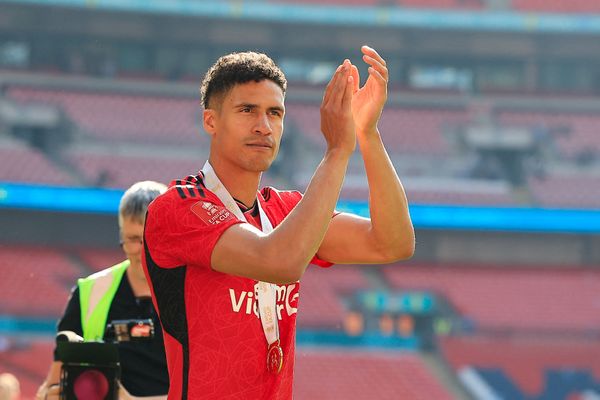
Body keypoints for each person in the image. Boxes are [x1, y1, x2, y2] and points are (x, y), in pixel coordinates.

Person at [142, 47, 415, 399]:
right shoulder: (178, 207)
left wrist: (366, 133)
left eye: (275, 113)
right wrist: (336, 153)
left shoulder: (286, 209)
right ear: (211, 121)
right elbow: (279, 262)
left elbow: (392, 243)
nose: (263, 126)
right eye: (247, 111)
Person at [36, 181, 169, 400]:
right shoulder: (90, 292)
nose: (143, 251)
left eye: (151, 237)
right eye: (134, 240)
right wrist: (50, 395)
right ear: (121, 236)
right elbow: (53, 382)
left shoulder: (196, 294)